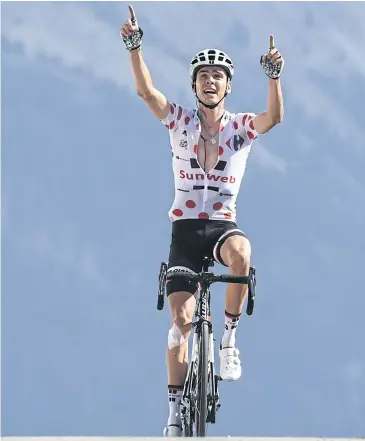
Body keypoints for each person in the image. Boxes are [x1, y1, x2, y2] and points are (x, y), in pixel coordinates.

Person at [120, 4, 284, 437]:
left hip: (221, 227)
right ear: (194, 86)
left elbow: (274, 118)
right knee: (182, 323)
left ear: (228, 86)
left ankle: (229, 341)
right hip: (186, 233)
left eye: (217, 76)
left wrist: (273, 78)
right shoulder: (180, 121)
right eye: (202, 76)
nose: (210, 82)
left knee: (242, 255)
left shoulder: (240, 126)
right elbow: (146, 93)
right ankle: (174, 413)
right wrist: (135, 48)